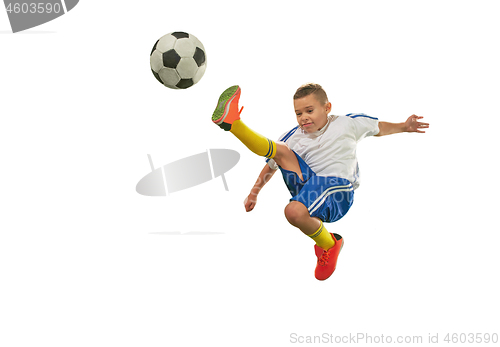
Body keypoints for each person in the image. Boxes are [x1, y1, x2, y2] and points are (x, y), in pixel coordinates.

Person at [211, 83, 429, 280]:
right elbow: (271, 165)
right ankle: (234, 124)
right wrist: (254, 193)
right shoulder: (293, 136)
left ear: (327, 108)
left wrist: (404, 126)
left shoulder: (347, 123)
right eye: (298, 113)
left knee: (293, 211)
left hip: (338, 190)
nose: (303, 117)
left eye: (309, 111)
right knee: (282, 150)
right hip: (309, 186)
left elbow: (378, 128)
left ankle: (329, 244)